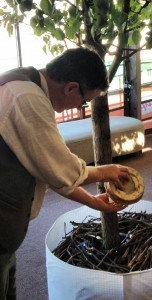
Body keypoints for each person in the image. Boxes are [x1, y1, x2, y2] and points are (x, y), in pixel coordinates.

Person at [0, 47, 131, 298]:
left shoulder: (25, 85)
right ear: (71, 87)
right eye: (84, 101)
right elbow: (61, 167)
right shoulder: (26, 97)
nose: (81, 107)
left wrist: (93, 201)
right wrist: (107, 171)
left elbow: (49, 172)